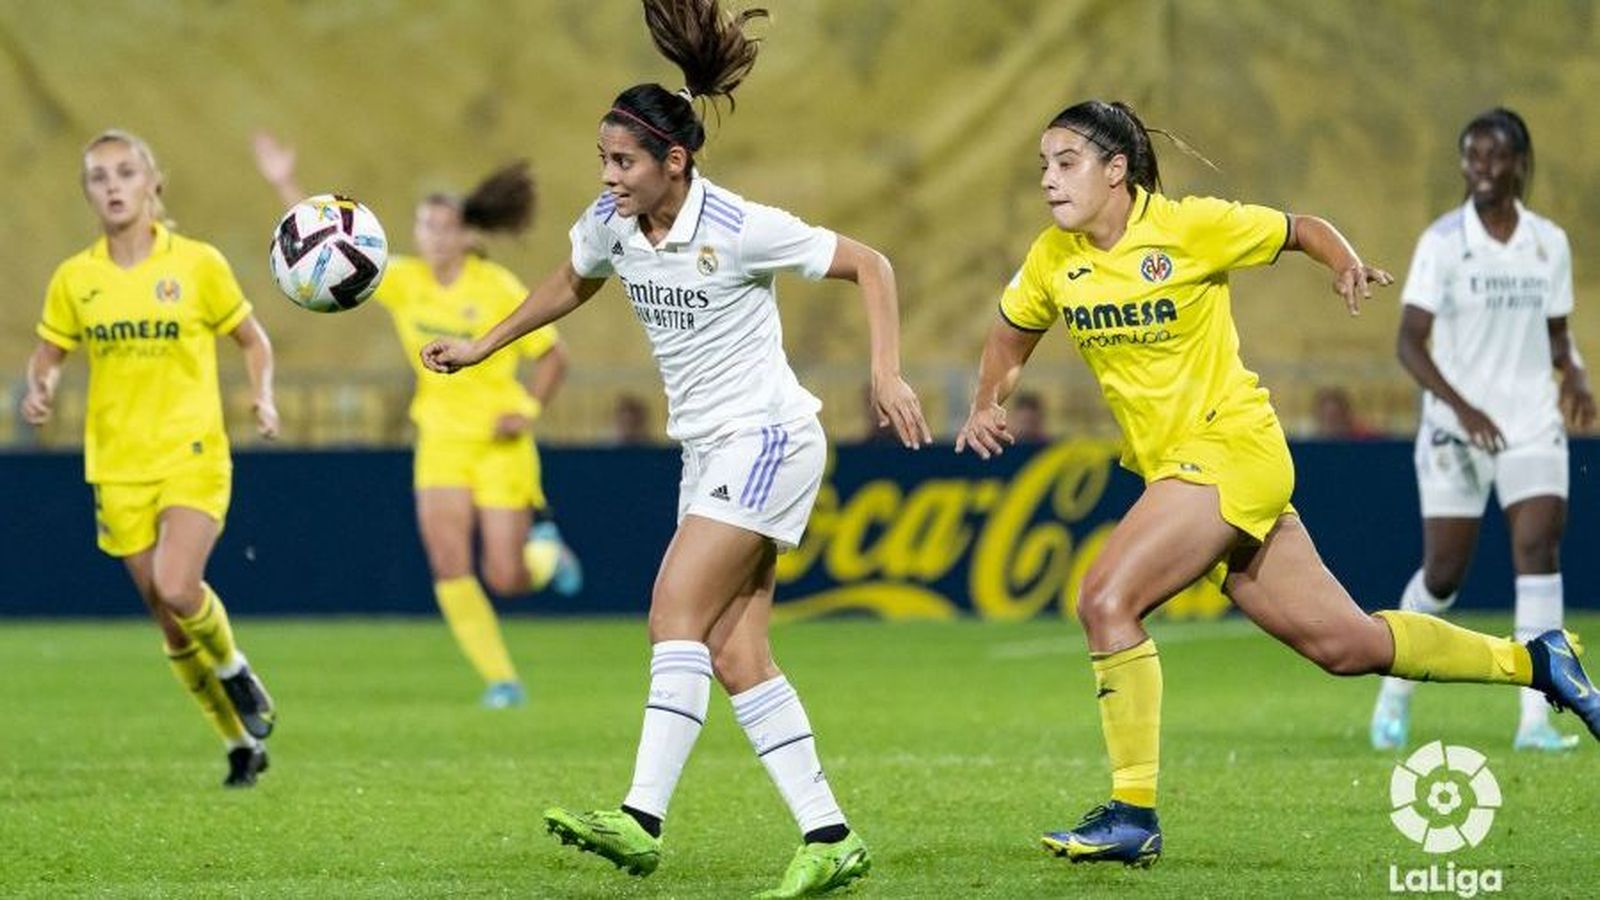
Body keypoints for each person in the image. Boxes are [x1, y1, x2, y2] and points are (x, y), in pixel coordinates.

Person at [955, 99, 1600, 868]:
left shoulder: (1190, 226)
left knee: (1105, 598)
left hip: (1232, 448)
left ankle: (1132, 812)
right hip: (1189, 468)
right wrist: (986, 399)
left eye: (1066, 163)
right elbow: (1009, 331)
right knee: (1347, 644)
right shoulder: (1053, 256)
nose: (1050, 181)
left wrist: (1345, 264)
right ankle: (1537, 660)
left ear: (1116, 170)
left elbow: (1301, 228)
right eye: (1043, 167)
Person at [421, 2, 930, 893]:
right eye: (603, 161)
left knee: (671, 611)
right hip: (708, 451)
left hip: (768, 437)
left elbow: (872, 264)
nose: (609, 177)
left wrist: (886, 374)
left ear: (675, 162)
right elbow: (570, 280)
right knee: (736, 654)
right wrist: (483, 346)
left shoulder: (739, 227)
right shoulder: (615, 221)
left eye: (624, 162)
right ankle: (830, 835)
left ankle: (641, 818)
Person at [254, 135, 582, 709]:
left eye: (442, 226)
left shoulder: (497, 286)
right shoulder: (404, 281)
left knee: (505, 576)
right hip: (440, 441)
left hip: (500, 444)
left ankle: (546, 555)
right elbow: (329, 244)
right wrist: (286, 182)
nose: (432, 237)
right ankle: (501, 680)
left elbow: (554, 356)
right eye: (423, 227)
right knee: (449, 564)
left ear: (466, 234)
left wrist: (527, 410)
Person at [22, 130, 281, 787]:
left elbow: (253, 340)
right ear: (88, 193)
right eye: (99, 177)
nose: (112, 185)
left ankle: (235, 671)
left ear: (152, 183)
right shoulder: (76, 279)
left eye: (125, 172)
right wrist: (42, 384)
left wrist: (262, 396)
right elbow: (49, 352)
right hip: (116, 463)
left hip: (192, 451)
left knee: (176, 583)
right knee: (169, 625)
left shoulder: (197, 265)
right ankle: (238, 744)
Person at [1370, 108, 1596, 753]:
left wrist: (1574, 375)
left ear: (1521, 163)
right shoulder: (1443, 242)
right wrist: (1463, 408)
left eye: (1494, 157)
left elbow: (1558, 336)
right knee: (1443, 575)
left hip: (1530, 423)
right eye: (1471, 157)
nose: (1481, 170)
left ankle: (1535, 721)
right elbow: (1409, 344)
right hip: (1454, 427)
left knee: (1538, 548)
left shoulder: (1548, 242)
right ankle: (1395, 691)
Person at [1311, 385, 1379, 439]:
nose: (1331, 423)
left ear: (1346, 415)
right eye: (1326, 417)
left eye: (1335, 416)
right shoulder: (1314, 443)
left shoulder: (1364, 437)